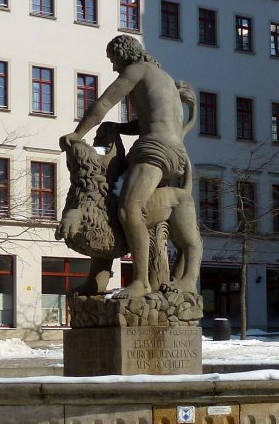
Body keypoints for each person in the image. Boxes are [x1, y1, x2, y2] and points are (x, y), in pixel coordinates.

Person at [60, 34, 201, 299]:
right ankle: (97, 280)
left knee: (128, 208)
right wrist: (118, 128)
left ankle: (141, 282)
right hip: (171, 150)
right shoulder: (165, 79)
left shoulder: (136, 70)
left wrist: (78, 134)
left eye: (113, 60)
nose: (114, 67)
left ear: (124, 54)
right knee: (109, 206)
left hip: (154, 151)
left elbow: (103, 103)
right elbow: (152, 120)